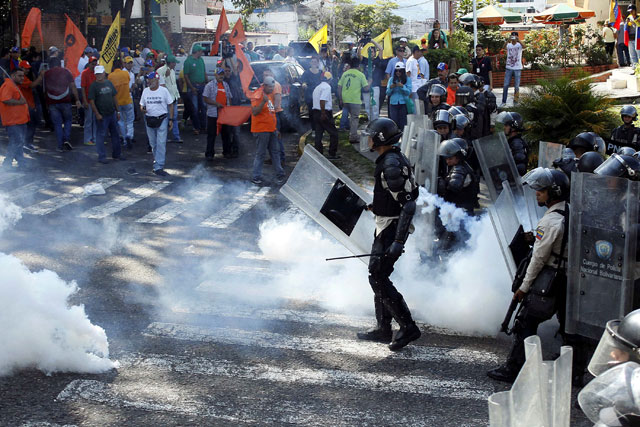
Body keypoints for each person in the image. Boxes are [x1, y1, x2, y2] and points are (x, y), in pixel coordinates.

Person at [487, 167, 570, 383]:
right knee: (568, 326)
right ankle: (574, 367)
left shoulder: (550, 222)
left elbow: (538, 259)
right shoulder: (567, 212)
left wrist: (523, 287)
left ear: (554, 193)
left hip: (551, 278)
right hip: (566, 277)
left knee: (526, 321)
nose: (537, 194)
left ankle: (514, 369)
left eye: (541, 191)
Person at [357, 117, 421, 351]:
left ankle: (408, 326)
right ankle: (384, 328)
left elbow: (408, 205)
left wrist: (397, 240)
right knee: (378, 275)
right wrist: (378, 205)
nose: (369, 139)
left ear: (381, 139)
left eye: (372, 135)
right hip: (386, 223)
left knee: (378, 276)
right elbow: (395, 196)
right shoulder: (389, 159)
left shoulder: (391, 163)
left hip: (392, 228)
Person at [250, 76, 284, 186]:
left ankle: (280, 174)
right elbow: (254, 112)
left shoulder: (269, 94)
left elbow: (271, 112)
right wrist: (262, 102)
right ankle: (256, 176)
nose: (272, 89)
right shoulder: (257, 94)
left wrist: (275, 129)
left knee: (275, 152)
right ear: (264, 85)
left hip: (271, 129)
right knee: (261, 153)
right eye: (270, 87)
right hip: (261, 130)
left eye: (273, 87)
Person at [44, 57, 83, 152]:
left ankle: (60, 146)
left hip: (52, 102)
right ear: (60, 63)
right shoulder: (66, 71)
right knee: (68, 120)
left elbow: (44, 89)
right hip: (65, 100)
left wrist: (46, 103)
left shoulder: (46, 73)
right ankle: (66, 139)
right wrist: (77, 99)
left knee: (57, 124)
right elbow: (73, 86)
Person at [89, 65, 125, 164]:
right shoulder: (93, 86)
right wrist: (97, 114)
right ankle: (102, 156)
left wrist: (118, 111)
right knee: (101, 135)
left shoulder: (109, 83)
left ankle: (117, 154)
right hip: (102, 115)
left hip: (111, 113)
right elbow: (92, 101)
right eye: (97, 74)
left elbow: (114, 97)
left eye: (100, 73)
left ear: (104, 73)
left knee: (115, 134)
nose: (99, 75)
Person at [140, 71, 174, 176]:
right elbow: (141, 104)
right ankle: (157, 161)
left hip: (162, 118)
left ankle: (159, 165)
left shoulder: (163, 91)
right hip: (149, 119)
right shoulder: (145, 91)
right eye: (148, 79)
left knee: (161, 143)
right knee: (153, 143)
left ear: (157, 79)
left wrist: (171, 119)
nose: (149, 81)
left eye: (151, 79)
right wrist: (143, 109)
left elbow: (170, 104)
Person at [0, 67, 29, 168]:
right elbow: (5, 99)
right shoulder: (8, 85)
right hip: (13, 121)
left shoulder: (13, 85)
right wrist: (20, 102)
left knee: (19, 142)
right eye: (20, 76)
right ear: (13, 76)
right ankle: (7, 162)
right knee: (16, 141)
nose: (22, 78)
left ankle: (21, 162)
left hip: (19, 120)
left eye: (23, 76)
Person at [203, 68, 232, 160]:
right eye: (219, 74)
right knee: (212, 134)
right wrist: (216, 104)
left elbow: (229, 97)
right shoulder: (209, 85)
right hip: (213, 114)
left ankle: (227, 152)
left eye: (222, 74)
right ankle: (209, 153)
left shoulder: (226, 85)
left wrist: (229, 107)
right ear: (215, 75)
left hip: (224, 114)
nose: (221, 76)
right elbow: (205, 98)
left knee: (226, 134)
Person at [338, 58, 369, 143]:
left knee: (347, 115)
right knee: (354, 118)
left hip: (345, 99)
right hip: (355, 100)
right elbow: (366, 88)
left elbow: (339, 86)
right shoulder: (360, 75)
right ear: (358, 65)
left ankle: (347, 129)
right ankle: (353, 136)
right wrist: (370, 82)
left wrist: (340, 98)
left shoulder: (345, 74)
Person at [108, 59, 135, 150]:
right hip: (127, 100)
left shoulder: (111, 76)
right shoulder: (126, 74)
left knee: (121, 121)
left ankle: (124, 139)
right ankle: (129, 135)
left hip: (117, 102)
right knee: (130, 120)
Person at [312, 71, 339, 159]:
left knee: (318, 134)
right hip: (324, 112)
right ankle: (332, 153)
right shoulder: (327, 87)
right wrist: (323, 113)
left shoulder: (317, 87)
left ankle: (318, 154)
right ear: (330, 80)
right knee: (334, 133)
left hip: (315, 112)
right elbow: (322, 100)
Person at [17, 60, 42, 153]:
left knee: (31, 124)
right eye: (25, 68)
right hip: (25, 106)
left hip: (29, 105)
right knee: (29, 125)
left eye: (28, 69)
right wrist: (40, 76)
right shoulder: (21, 78)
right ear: (21, 68)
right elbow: (32, 85)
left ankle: (27, 143)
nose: (27, 70)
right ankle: (25, 144)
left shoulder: (25, 77)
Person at [359, 40, 386, 122]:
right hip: (366, 86)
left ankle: (375, 122)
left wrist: (372, 41)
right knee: (367, 106)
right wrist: (360, 44)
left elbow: (381, 49)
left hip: (375, 85)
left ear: (375, 52)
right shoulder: (365, 60)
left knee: (375, 106)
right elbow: (359, 54)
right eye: (369, 51)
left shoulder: (377, 60)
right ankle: (370, 122)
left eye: (372, 51)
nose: (371, 53)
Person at [183, 44, 207, 135]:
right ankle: (196, 127)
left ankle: (203, 126)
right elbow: (186, 76)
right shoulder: (188, 61)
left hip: (202, 85)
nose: (202, 52)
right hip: (193, 86)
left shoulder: (201, 60)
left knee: (204, 107)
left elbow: (204, 72)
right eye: (201, 51)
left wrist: (207, 82)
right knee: (195, 108)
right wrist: (192, 88)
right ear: (197, 51)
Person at [157, 54, 182, 144]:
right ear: (170, 63)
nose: (175, 64)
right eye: (174, 63)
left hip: (173, 97)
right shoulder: (160, 71)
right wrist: (165, 76)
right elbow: (158, 83)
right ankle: (165, 137)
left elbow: (174, 85)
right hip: (166, 99)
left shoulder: (172, 71)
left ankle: (176, 136)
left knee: (174, 117)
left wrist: (178, 96)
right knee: (166, 118)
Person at [496, 111, 528, 176]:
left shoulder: (516, 143)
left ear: (513, 126)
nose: (504, 127)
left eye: (506, 125)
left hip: (514, 182)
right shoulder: (512, 141)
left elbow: (520, 166)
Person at [386, 62, 411, 131]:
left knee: (403, 121)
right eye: (396, 71)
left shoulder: (408, 79)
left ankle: (403, 136)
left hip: (403, 103)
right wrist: (391, 88)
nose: (398, 72)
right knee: (394, 121)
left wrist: (402, 86)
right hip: (393, 103)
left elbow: (408, 92)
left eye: (400, 71)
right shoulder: (391, 79)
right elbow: (387, 93)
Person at [501, 32, 525, 107]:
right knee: (505, 85)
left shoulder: (519, 45)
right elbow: (503, 47)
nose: (513, 38)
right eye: (512, 36)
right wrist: (508, 40)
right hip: (508, 68)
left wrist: (519, 40)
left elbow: (525, 46)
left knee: (516, 86)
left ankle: (516, 101)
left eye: (515, 36)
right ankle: (503, 101)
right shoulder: (509, 45)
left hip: (517, 68)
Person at [301, 56, 323, 134]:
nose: (314, 63)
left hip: (319, 95)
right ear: (310, 63)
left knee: (320, 113)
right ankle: (313, 129)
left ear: (317, 63)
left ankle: (320, 129)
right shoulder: (306, 72)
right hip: (310, 95)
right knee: (311, 113)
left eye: (315, 62)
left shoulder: (321, 72)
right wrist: (304, 85)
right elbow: (303, 81)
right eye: (312, 62)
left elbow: (325, 82)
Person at [81, 56, 99, 146]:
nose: (94, 66)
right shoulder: (85, 73)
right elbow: (83, 88)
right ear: (89, 64)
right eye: (92, 64)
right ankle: (87, 139)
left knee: (96, 119)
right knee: (89, 120)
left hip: (96, 100)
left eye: (95, 64)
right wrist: (84, 101)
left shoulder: (97, 73)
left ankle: (95, 138)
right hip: (88, 100)